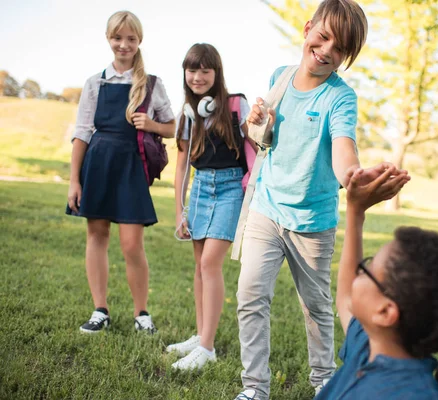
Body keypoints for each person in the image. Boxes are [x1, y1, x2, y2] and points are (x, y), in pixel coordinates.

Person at [233, 1, 402, 399]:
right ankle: (255, 389)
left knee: (316, 306)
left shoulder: (339, 98)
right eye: (323, 37)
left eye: (339, 48)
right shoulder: (280, 76)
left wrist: (354, 177)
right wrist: (263, 124)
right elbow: (266, 139)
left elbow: (344, 147)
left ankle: (323, 381)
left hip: (312, 221)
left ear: (346, 57)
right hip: (267, 209)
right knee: (250, 296)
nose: (326, 50)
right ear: (308, 29)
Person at [314, 166, 438, 399]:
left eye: (367, 269)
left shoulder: (412, 394)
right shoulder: (372, 347)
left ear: (386, 311)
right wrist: (356, 211)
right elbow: (347, 298)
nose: (359, 271)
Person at [66, 10, 175, 334]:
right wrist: (74, 180)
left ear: (139, 40)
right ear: (108, 39)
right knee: (96, 236)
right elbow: (83, 132)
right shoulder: (95, 82)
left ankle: (141, 313)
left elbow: (172, 127)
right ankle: (100, 310)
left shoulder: (151, 84)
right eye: (117, 38)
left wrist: (153, 124)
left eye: (130, 38)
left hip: (131, 167)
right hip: (98, 164)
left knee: (131, 244)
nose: (123, 44)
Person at [166, 43, 255, 371]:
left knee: (210, 264)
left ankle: (207, 347)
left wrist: (261, 123)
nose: (198, 76)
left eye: (205, 70)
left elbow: (257, 139)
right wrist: (179, 211)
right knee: (199, 266)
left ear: (217, 73)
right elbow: (181, 167)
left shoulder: (235, 105)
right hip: (201, 189)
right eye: (192, 70)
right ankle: (201, 334)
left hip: (231, 188)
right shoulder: (189, 114)